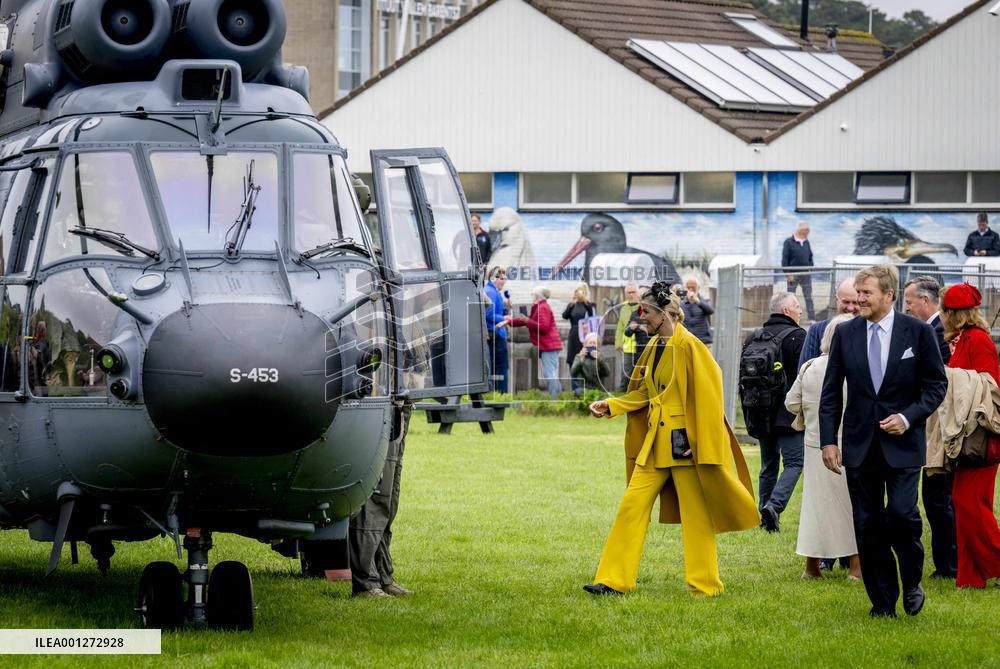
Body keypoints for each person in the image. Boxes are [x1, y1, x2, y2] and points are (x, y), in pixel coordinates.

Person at [583, 283, 759, 596]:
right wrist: (612, 405)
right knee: (631, 505)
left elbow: (710, 398)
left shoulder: (691, 346)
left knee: (696, 517)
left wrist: (698, 441)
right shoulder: (653, 346)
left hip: (685, 447)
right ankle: (613, 581)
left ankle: (706, 586)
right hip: (654, 444)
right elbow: (645, 392)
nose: (641, 317)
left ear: (665, 314)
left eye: (646, 312)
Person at [819, 265, 947, 618]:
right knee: (867, 525)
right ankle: (883, 602)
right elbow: (831, 392)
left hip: (904, 445)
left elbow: (936, 385)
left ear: (889, 295)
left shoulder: (918, 332)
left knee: (903, 516)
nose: (859, 299)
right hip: (859, 446)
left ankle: (912, 580)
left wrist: (907, 417)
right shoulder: (845, 334)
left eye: (866, 293)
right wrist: (828, 441)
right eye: (858, 293)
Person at [785, 314, 862, 580]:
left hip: (814, 445)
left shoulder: (809, 367)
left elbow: (791, 402)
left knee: (815, 507)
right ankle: (856, 567)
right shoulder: (856, 368)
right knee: (852, 505)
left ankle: (812, 567)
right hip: (850, 444)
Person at [939, 282, 1000, 589]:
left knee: (969, 503)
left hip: (981, 436)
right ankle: (971, 576)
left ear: (953, 313)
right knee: (966, 503)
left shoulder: (977, 341)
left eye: (944, 310)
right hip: (968, 435)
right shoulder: (965, 339)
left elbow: (989, 386)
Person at [903, 275, 957, 580]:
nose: (907, 307)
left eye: (909, 301)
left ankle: (949, 564)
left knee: (939, 498)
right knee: (937, 497)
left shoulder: (936, 334)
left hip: (939, 427)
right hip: (931, 425)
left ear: (925, 300)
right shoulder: (934, 331)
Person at [740, 292, 806, 532]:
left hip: (760, 411)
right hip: (788, 413)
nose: (800, 310)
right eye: (797, 306)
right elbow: (803, 376)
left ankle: (764, 515)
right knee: (795, 462)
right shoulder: (798, 336)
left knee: (768, 464)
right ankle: (774, 506)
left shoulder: (754, 337)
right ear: (786, 311)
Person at [349, 404, 413, 598]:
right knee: (375, 499)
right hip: (380, 407)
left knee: (389, 501)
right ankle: (366, 583)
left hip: (400, 408)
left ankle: (384, 577)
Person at [507, 286, 562, 399]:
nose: (531, 296)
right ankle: (558, 399)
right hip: (549, 345)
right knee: (552, 374)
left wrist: (527, 320)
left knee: (550, 374)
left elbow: (543, 327)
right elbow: (527, 320)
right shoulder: (539, 307)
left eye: (532, 294)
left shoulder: (542, 307)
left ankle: (555, 401)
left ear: (537, 296)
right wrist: (509, 321)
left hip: (549, 346)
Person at [797, 278, 860, 371]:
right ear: (836, 300)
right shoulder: (817, 331)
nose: (850, 308)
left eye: (855, 303)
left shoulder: (869, 330)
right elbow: (805, 372)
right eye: (846, 302)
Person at [562, 283, 596, 394]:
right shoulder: (572, 305)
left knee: (587, 360)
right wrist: (571, 304)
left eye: (582, 291)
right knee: (573, 362)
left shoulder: (590, 305)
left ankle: (589, 391)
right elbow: (565, 316)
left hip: (586, 336)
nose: (580, 294)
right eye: (578, 291)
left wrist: (586, 302)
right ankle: (575, 391)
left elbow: (593, 317)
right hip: (574, 335)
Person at [782, 221, 815, 321]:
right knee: (790, 297)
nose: (808, 232)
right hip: (793, 274)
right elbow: (784, 259)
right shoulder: (788, 242)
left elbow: (810, 256)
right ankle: (789, 318)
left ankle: (812, 319)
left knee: (808, 297)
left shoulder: (806, 242)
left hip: (806, 274)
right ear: (801, 230)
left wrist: (810, 267)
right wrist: (788, 274)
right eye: (807, 230)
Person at [484, 266, 509, 393]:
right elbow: (488, 314)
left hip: (495, 333)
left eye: (505, 278)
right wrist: (504, 318)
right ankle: (501, 395)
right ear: (493, 278)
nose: (504, 281)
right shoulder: (491, 292)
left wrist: (506, 309)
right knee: (501, 366)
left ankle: (497, 394)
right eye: (501, 278)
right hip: (495, 333)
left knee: (497, 367)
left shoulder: (493, 291)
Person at [615, 283, 641, 390]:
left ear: (638, 293)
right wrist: (618, 343)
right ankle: (622, 396)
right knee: (625, 375)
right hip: (627, 348)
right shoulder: (623, 308)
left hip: (641, 346)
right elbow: (620, 327)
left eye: (633, 292)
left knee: (641, 375)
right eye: (628, 292)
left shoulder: (643, 307)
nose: (631, 295)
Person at [680, 276, 714, 346]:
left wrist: (697, 301)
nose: (691, 290)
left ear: (698, 288)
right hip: (688, 342)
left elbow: (710, 311)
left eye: (693, 287)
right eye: (688, 288)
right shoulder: (682, 304)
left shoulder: (704, 301)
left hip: (703, 341)